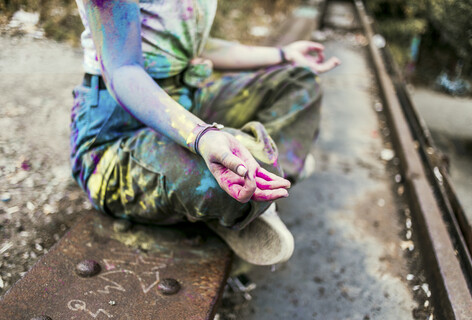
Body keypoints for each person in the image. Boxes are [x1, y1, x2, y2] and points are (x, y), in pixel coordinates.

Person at [71, 0, 340, 266]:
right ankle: (253, 191)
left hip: (187, 101)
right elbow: (122, 69)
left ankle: (259, 192)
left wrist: (284, 55)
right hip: (117, 136)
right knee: (245, 164)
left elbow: (196, 46)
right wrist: (201, 135)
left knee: (299, 81)